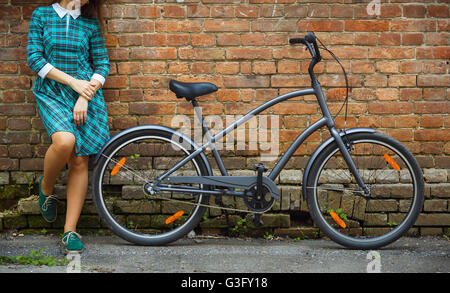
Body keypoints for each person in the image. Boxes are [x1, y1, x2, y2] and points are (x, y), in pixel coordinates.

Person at [26, 0, 110, 253]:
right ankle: (46, 189)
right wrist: (73, 82)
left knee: (79, 161)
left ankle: (70, 231)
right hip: (51, 92)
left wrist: (84, 95)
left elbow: (102, 64)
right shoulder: (41, 15)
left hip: (85, 96)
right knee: (64, 141)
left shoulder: (90, 23)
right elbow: (34, 58)